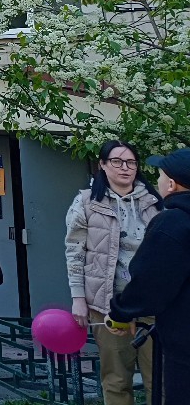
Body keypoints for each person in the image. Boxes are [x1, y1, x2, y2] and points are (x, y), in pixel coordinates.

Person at [64, 140, 161, 405]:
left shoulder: (154, 202)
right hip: (107, 303)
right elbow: (75, 251)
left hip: (152, 304)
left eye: (131, 162)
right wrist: (78, 298)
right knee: (117, 381)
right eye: (117, 162)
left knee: (159, 380)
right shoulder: (86, 202)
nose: (125, 168)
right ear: (103, 165)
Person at [107, 147, 190, 405]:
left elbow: (150, 282)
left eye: (161, 175)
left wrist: (121, 312)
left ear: (172, 185)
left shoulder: (173, 223)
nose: (158, 181)